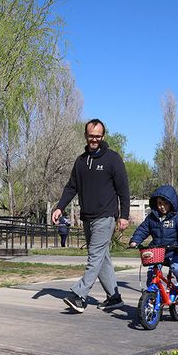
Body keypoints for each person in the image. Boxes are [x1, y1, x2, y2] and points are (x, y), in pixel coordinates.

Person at [51, 118, 130, 313]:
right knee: (102, 258)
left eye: (97, 136)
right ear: (85, 136)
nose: (94, 140)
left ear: (103, 136)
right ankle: (114, 297)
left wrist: (124, 215)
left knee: (95, 256)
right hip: (87, 216)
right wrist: (60, 207)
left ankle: (79, 296)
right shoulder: (80, 161)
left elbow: (124, 190)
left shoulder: (113, 159)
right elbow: (71, 187)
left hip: (106, 216)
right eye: (90, 136)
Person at [129, 185, 178, 297]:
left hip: (175, 250)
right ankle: (151, 293)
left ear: (171, 203)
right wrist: (135, 241)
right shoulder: (152, 217)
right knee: (151, 270)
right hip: (158, 251)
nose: (162, 207)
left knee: (176, 267)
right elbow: (143, 229)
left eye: (165, 204)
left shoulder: (177, 217)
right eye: (159, 203)